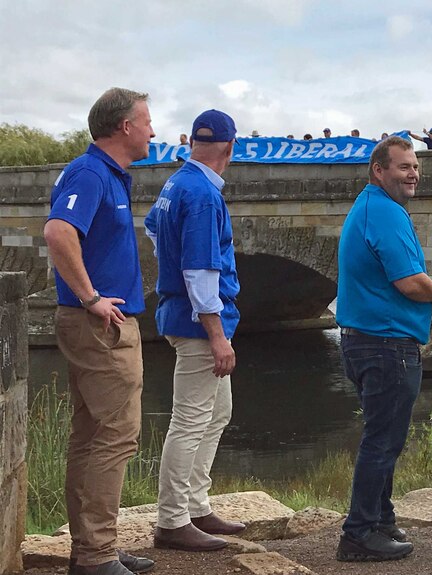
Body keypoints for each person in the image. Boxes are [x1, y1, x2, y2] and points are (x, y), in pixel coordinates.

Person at [43, 88, 155, 575]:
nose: (153, 130)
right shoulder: (89, 173)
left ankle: (93, 547)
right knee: (115, 437)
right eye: (147, 121)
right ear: (124, 127)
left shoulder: (107, 175)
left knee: (92, 437)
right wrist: (90, 298)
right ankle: (96, 555)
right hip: (100, 326)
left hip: (98, 323)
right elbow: (57, 231)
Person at [335, 137, 432, 561]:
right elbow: (410, 283)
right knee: (382, 441)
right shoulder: (386, 213)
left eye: (415, 166)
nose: (413, 174)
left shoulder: (370, 206)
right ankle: (359, 532)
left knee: (383, 437)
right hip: (386, 344)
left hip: (367, 342)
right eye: (403, 166)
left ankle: (380, 519)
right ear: (379, 171)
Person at [144, 110, 245, 552]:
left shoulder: (176, 183)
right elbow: (201, 270)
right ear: (229, 148)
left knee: (216, 412)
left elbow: (151, 226)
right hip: (198, 324)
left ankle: (196, 506)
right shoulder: (204, 194)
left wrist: (166, 263)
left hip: (179, 315)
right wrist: (217, 333)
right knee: (189, 421)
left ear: (193, 143)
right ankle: (171, 520)